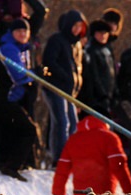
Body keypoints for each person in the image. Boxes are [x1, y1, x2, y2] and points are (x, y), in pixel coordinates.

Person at [51, 112, 131, 195]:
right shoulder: (109, 138)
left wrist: (57, 193)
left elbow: (62, 169)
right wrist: (128, 189)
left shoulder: (73, 140)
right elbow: (118, 166)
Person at [0, 18, 40, 179]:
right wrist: (35, 75)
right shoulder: (8, 48)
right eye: (19, 31)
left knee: (13, 130)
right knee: (29, 129)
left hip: (15, 98)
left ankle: (12, 163)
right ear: (12, 33)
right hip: (4, 98)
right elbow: (18, 75)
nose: (22, 34)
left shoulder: (24, 48)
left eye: (25, 31)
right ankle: (12, 165)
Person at [41, 9, 88, 166]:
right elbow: (49, 60)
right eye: (74, 25)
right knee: (62, 121)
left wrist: (76, 87)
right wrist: (64, 76)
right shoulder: (57, 39)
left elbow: (78, 68)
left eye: (79, 26)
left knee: (74, 124)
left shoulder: (77, 45)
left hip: (70, 91)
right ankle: (59, 158)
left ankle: (70, 156)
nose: (77, 29)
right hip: (56, 87)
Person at [78, 19, 116, 116]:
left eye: (105, 33)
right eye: (100, 33)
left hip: (107, 96)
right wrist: (102, 95)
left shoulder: (107, 49)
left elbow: (112, 73)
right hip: (95, 98)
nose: (103, 35)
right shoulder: (91, 50)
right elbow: (93, 76)